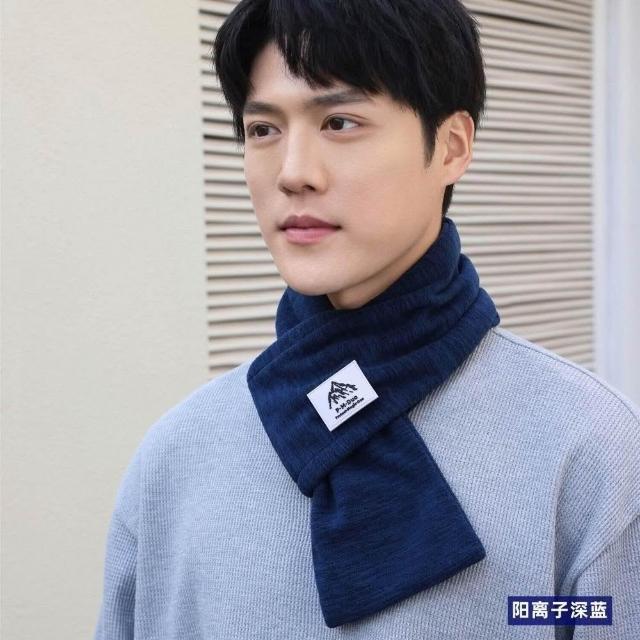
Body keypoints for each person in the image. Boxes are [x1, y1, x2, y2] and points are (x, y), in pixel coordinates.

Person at [93, 1, 640, 638]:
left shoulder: (587, 450)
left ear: (451, 147)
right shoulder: (174, 460)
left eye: (340, 122)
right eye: (263, 129)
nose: (293, 173)